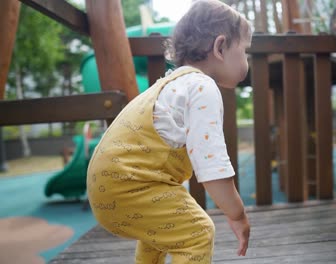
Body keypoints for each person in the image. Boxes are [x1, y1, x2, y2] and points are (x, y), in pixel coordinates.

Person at [86, 1, 252, 263]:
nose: (246, 60)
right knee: (197, 232)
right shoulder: (201, 87)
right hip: (129, 186)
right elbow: (212, 165)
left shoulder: (170, 85)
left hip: (109, 187)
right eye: (245, 51)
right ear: (220, 47)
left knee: (163, 231)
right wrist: (237, 214)